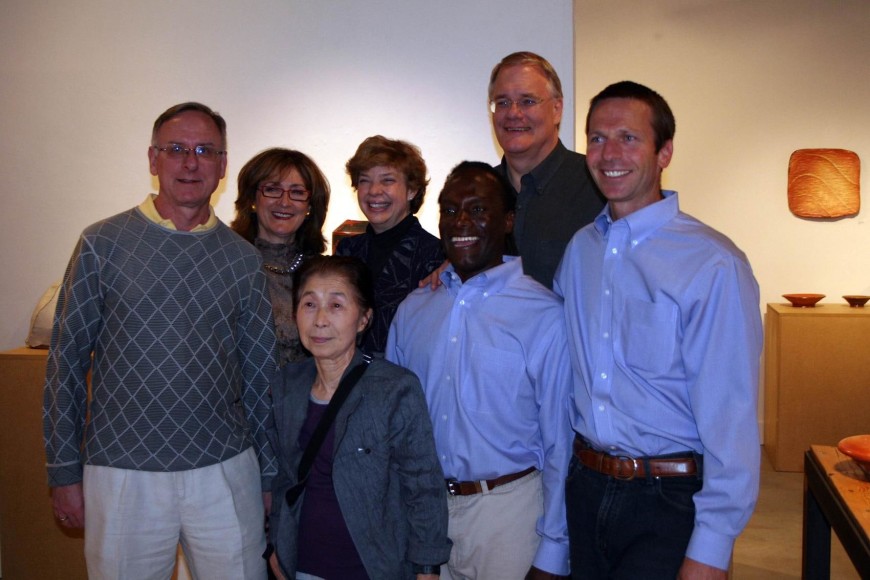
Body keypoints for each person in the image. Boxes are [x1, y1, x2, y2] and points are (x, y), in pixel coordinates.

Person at [43, 102, 276, 579]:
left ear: (223, 165)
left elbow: (260, 376)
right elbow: (64, 366)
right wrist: (63, 471)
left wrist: (268, 473)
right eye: (176, 149)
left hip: (225, 470)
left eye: (204, 151)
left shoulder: (242, 258)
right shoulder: (101, 244)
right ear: (153, 160)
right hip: (122, 473)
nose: (190, 163)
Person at [554, 81, 762, 579]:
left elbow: (731, 419)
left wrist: (711, 550)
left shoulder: (713, 263)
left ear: (664, 151)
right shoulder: (579, 251)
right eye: (598, 138)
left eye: (628, 137)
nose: (609, 154)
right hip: (585, 487)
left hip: (668, 502)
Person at [387, 162, 573, 579]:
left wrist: (554, 551)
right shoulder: (413, 311)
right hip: (426, 513)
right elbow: (395, 429)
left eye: (478, 209)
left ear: (508, 220)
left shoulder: (543, 314)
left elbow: (561, 443)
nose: (461, 222)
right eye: (450, 211)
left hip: (508, 516)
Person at [267, 255, 451, 580]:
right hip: (302, 563)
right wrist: (276, 548)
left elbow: (423, 487)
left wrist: (427, 568)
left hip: (372, 567)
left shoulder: (394, 388)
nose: (320, 320)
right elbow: (285, 477)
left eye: (337, 306)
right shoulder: (287, 384)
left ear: (364, 319)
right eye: (309, 304)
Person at [489, 51, 604, 288]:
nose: (513, 113)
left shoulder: (598, 186)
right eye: (502, 102)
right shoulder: (478, 191)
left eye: (527, 101)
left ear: (557, 109)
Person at [336, 135, 444, 357]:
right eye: (365, 180)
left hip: (406, 382)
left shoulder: (436, 256)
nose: (374, 191)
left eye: (387, 180)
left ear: (412, 190)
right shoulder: (346, 251)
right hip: (346, 381)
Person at [231, 148, 330, 366]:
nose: (284, 202)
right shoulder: (229, 265)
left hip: (305, 397)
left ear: (309, 206)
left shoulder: (325, 274)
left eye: (297, 192)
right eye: (272, 190)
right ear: (252, 199)